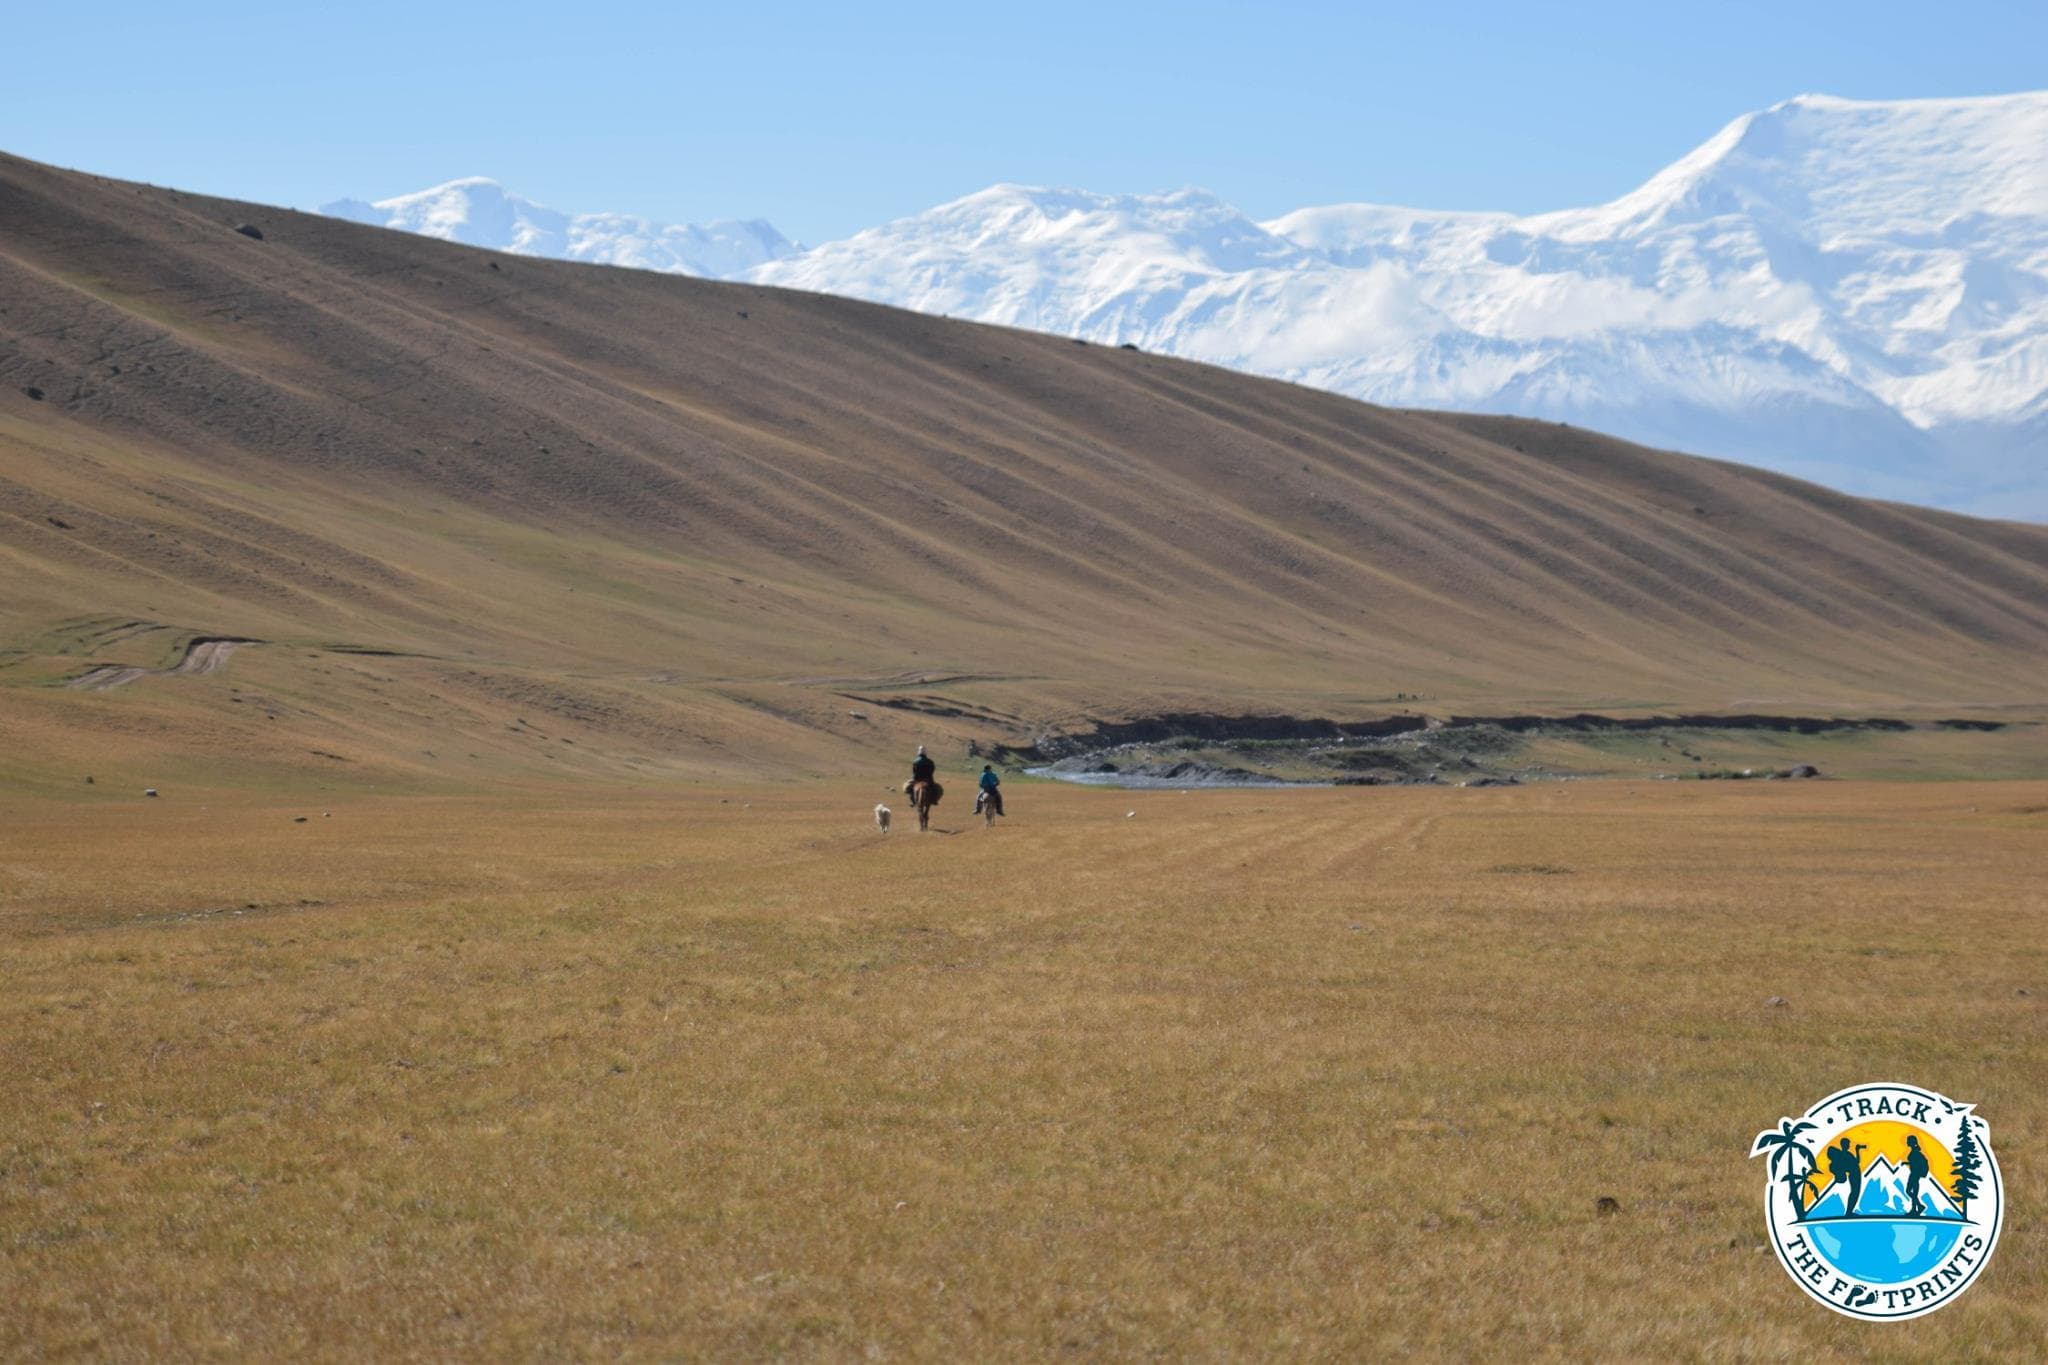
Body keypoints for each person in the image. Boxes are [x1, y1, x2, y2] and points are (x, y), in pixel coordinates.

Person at [1824, 1138, 1863, 1216]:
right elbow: (1855, 1163)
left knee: (1854, 1193)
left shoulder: (1845, 1154)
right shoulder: (1844, 1155)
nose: (1849, 1145)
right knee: (1854, 1193)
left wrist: (1857, 1150)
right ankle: (1849, 1212)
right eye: (1848, 1144)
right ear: (1844, 1145)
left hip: (1855, 1174)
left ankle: (1849, 1211)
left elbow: (1856, 1162)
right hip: (1854, 1174)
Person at [1903, 1135, 1930, 1216]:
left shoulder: (1915, 1152)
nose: (1906, 1142)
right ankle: (1918, 1207)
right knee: (1912, 1192)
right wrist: (1907, 1163)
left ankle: (1915, 1209)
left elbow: (1916, 1163)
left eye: (1908, 1141)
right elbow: (1914, 1162)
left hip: (1915, 1174)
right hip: (1914, 1174)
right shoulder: (1915, 1151)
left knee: (1910, 1191)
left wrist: (1909, 1163)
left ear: (1911, 1142)